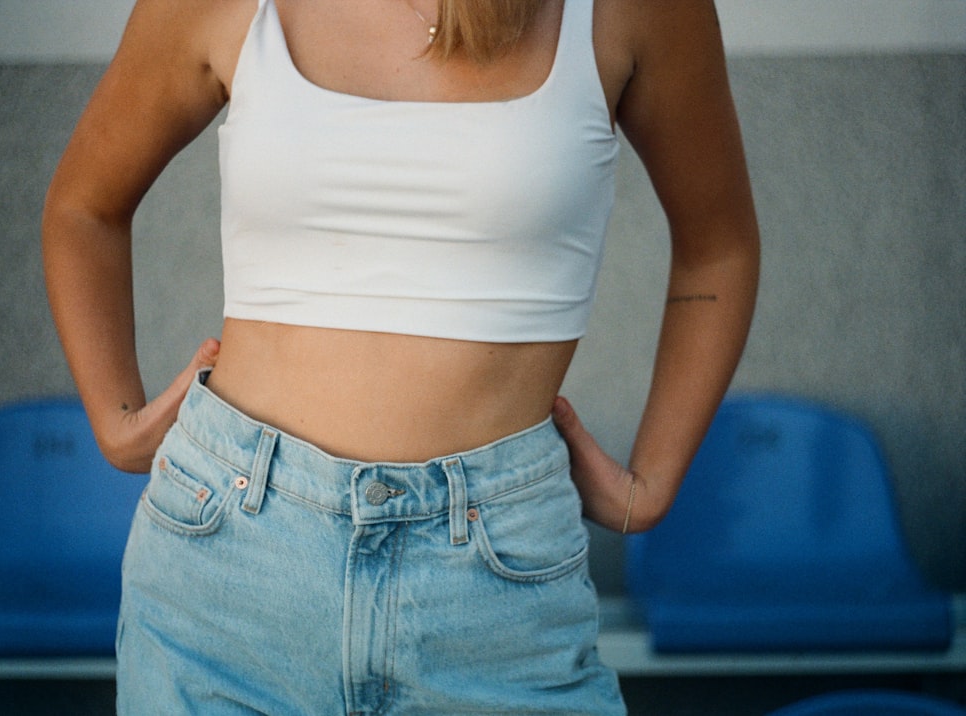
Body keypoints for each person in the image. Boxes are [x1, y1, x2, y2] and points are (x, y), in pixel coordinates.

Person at [43, 0, 759, 712]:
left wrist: (656, 479)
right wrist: (114, 418)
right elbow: (85, 206)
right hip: (228, 568)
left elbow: (717, 247)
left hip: (495, 586)